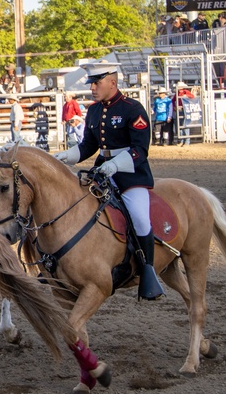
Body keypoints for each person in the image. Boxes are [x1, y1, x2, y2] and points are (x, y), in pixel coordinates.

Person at [53, 61, 165, 301]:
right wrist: (65, 156)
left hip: (131, 176)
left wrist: (115, 164)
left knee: (139, 218)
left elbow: (140, 150)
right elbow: (87, 147)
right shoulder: (93, 110)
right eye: (92, 83)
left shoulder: (132, 109)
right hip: (101, 173)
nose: (92, 87)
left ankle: (148, 270)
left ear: (112, 83)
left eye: (97, 83)